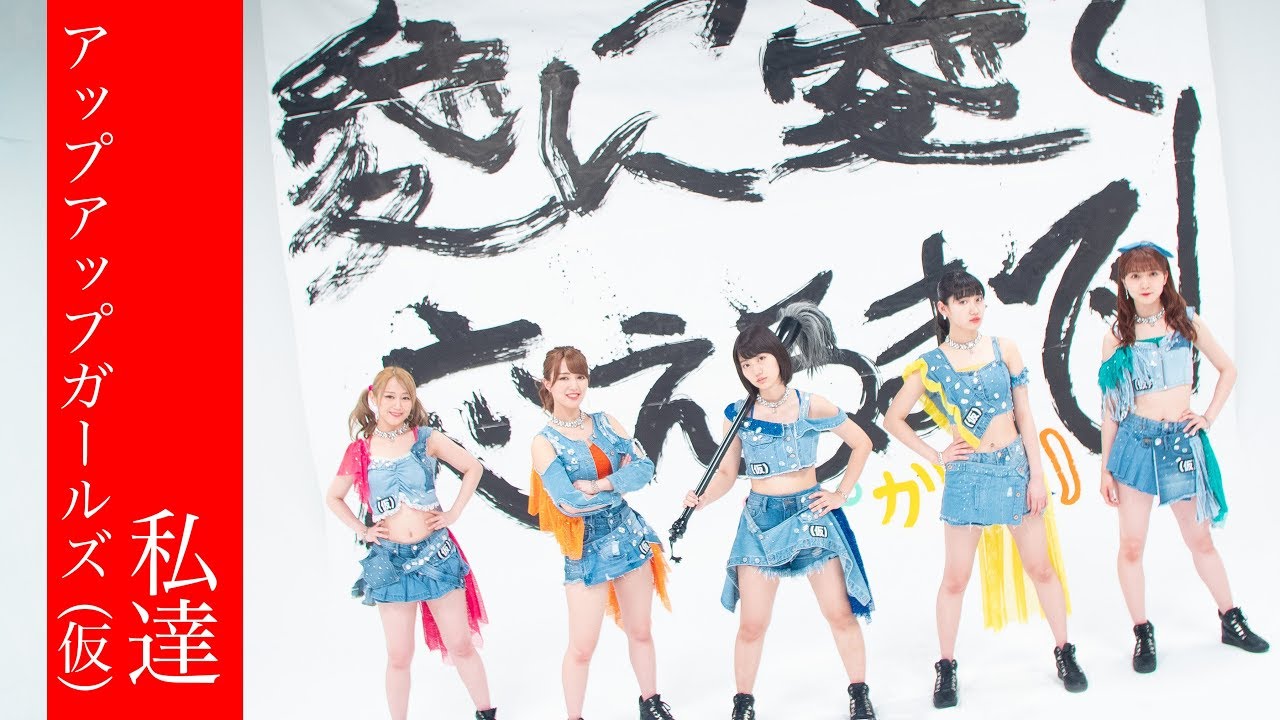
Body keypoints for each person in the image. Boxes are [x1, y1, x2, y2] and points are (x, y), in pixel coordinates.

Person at [884, 270, 1087, 709]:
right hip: (968, 474)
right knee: (956, 578)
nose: (973, 308)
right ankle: (945, 667)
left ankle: (1064, 651)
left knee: (1041, 568)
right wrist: (937, 455)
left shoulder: (1003, 348)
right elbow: (892, 418)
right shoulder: (930, 364)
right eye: (962, 301)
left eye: (977, 299)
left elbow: (1025, 417)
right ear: (943, 309)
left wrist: (1037, 476)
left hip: (1014, 466)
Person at [683, 323, 877, 720]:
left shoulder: (811, 405)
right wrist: (702, 499)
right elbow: (727, 473)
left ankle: (859, 693)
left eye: (761, 359)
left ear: (778, 358)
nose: (755, 369)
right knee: (752, 624)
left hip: (810, 514)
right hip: (761, 519)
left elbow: (862, 442)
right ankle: (743, 703)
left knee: (839, 613)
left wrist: (840, 494)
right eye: (746, 364)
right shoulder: (737, 415)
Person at [1098, 241, 1268, 672]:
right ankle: (1142, 631)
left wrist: (1207, 417)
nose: (1145, 282)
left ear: (1165, 277)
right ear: (1123, 282)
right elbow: (1111, 408)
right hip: (1135, 444)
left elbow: (1228, 368)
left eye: (1153, 273)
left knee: (1200, 540)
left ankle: (1231, 619)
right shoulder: (1118, 336)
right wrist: (1105, 469)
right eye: (1135, 275)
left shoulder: (1186, 322)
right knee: (1131, 545)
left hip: (1180, 442)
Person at [325, 366, 496, 720]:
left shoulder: (425, 438)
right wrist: (363, 530)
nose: (398, 404)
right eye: (389, 396)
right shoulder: (360, 450)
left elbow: (473, 468)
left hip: (436, 554)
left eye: (405, 397)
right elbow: (334, 497)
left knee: (460, 644)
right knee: (399, 656)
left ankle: (486, 713)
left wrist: (452, 513)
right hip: (390, 562)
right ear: (373, 398)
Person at [528, 346, 677, 720]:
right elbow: (567, 502)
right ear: (548, 384)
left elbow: (644, 469)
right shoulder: (543, 442)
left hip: (628, 535)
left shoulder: (606, 422)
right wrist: (617, 484)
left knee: (640, 630)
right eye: (564, 378)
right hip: (585, 547)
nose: (574, 385)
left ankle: (651, 703)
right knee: (582, 646)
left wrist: (600, 485)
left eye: (580, 376)